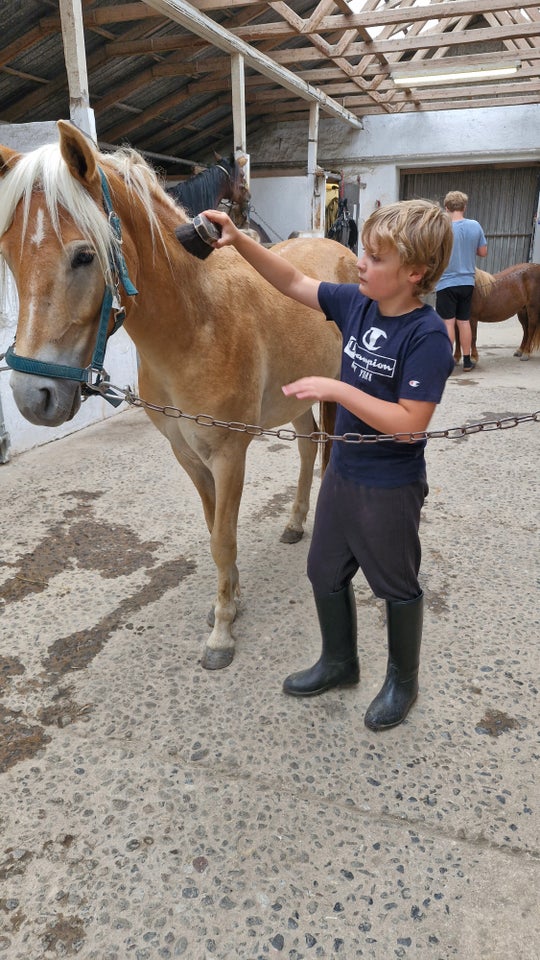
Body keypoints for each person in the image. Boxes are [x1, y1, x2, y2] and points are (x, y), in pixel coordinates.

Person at [198, 199, 454, 731]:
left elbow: (409, 423)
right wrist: (238, 240)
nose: (361, 263)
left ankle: (403, 681)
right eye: (363, 252)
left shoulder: (427, 336)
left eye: (376, 257)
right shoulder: (356, 304)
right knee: (323, 571)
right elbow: (292, 281)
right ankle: (341, 661)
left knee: (396, 585)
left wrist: (336, 387)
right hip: (343, 475)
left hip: (390, 483)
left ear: (414, 274)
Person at [435, 191, 488, 371]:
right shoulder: (475, 225)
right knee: (464, 322)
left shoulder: (441, 228)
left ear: (446, 208)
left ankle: (446, 361)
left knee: (448, 323)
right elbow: (483, 252)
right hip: (467, 283)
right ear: (464, 207)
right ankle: (467, 360)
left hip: (445, 283)